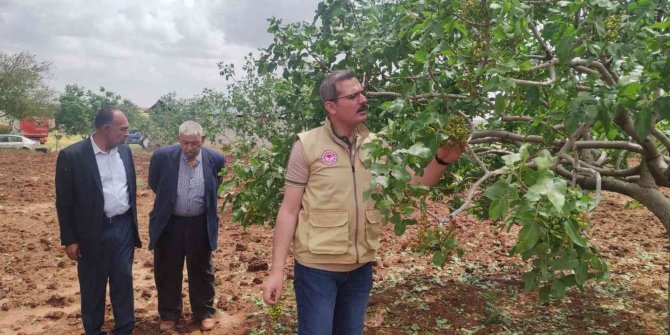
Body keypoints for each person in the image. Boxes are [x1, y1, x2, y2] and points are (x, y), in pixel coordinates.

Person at [262, 70, 466, 335]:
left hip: (360, 271)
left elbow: (414, 187)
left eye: (362, 93)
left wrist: (442, 160)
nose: (363, 99)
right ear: (331, 106)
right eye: (353, 95)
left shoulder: (376, 146)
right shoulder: (306, 145)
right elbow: (289, 211)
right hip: (316, 271)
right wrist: (276, 271)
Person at [55, 107, 141, 335]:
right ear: (106, 129)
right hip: (91, 232)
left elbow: (130, 188)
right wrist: (69, 239)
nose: (127, 134)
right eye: (123, 129)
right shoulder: (72, 156)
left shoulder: (124, 153)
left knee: (123, 279)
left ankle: (125, 328)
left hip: (122, 228)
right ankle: (94, 330)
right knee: (93, 285)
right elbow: (64, 202)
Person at [148, 120, 226, 332]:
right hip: (170, 223)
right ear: (178, 140)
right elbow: (155, 184)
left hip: (200, 223)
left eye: (194, 143)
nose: (189, 148)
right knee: (167, 269)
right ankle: (169, 314)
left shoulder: (216, 159)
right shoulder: (162, 157)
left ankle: (204, 312)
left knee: (202, 269)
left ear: (203, 140)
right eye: (185, 143)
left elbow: (214, 187)